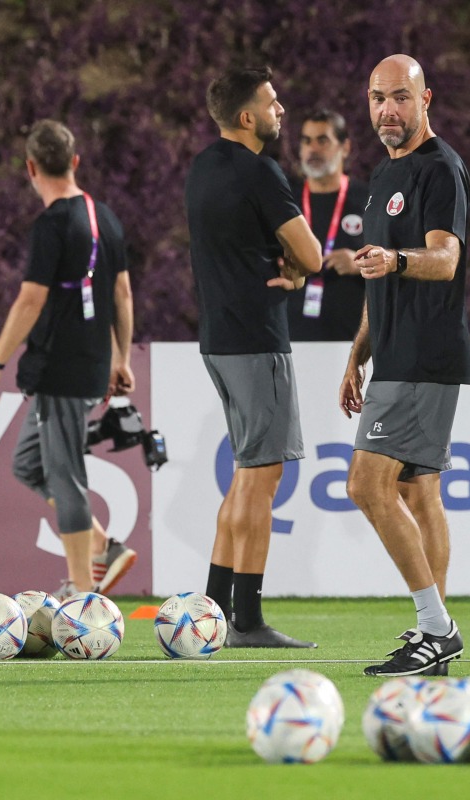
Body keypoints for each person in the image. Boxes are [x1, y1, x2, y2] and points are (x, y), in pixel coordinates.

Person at [339, 55, 470, 677]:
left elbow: (444, 260)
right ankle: (431, 641)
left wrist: (394, 260)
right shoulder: (381, 172)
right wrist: (358, 353)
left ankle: (436, 630)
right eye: (376, 98)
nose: (387, 111)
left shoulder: (440, 169)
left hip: (425, 355)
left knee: (367, 486)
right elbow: (378, 270)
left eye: (399, 98)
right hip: (396, 355)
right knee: (420, 492)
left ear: (426, 101)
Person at [185, 66, 323, 648]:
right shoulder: (261, 173)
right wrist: (294, 271)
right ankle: (246, 619)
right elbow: (313, 255)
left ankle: (213, 613)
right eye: (271, 102)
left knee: (245, 478)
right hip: (257, 340)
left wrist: (283, 264)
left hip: (218, 337)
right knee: (263, 480)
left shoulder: (203, 168)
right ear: (247, 117)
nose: (281, 109)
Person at [0, 119, 137, 600]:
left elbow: (29, 301)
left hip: (60, 369)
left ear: (30, 168)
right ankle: (105, 548)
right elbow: (122, 292)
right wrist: (120, 356)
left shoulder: (51, 224)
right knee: (28, 463)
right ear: (75, 162)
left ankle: (82, 594)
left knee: (65, 476)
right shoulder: (104, 216)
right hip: (88, 363)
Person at [285, 109, 370, 341]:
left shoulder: (369, 200)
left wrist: (359, 264)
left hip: (353, 343)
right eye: (306, 141)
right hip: (292, 343)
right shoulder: (285, 202)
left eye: (323, 140)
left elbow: (395, 261)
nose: (313, 148)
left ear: (345, 147)